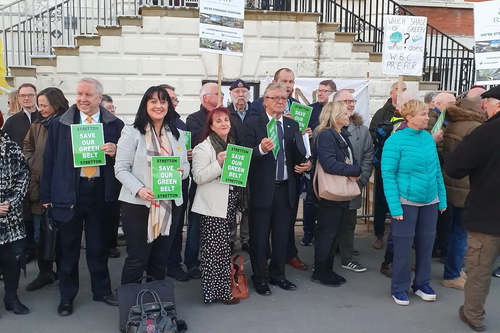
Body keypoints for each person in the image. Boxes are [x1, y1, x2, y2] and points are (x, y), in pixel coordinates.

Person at [41, 78, 124, 316]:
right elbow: (49, 161)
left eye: (88, 95)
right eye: (79, 94)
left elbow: (129, 158)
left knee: (98, 246)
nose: (82, 99)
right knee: (68, 250)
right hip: (68, 193)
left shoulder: (115, 125)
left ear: (100, 98)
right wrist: (46, 195)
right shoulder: (60, 124)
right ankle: (67, 297)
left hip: (100, 192)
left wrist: (116, 151)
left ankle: (102, 291)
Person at [240, 82, 311, 296]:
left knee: (282, 236)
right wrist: (260, 150)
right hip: (262, 189)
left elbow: (300, 153)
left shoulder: (292, 126)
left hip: (286, 189)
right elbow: (242, 156)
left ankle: (278, 275)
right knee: (260, 238)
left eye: (284, 99)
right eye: (275, 98)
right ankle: (260, 277)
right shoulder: (252, 125)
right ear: (265, 102)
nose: (281, 101)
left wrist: (308, 163)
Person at [115, 85, 189, 287]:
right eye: (153, 101)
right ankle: (131, 307)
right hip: (139, 205)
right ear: (145, 104)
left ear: (169, 106)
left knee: (160, 259)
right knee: (137, 258)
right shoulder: (131, 132)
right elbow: (120, 168)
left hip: (170, 204)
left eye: (163, 101)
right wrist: (139, 189)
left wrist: (184, 171)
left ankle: (156, 306)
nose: (159, 106)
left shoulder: (177, 134)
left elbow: (185, 164)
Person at [445, 86, 500, 332]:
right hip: (488, 214)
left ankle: (473, 316)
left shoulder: (486, 132)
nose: (483, 106)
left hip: (488, 214)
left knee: (479, 269)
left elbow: (455, 168)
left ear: (497, 104)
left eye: (486, 101)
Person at [382, 99, 446, 306]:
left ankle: (422, 284)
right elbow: (388, 175)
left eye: (427, 114)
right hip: (406, 202)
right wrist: (394, 207)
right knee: (402, 247)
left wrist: (441, 199)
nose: (428, 118)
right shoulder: (395, 141)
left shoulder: (428, 139)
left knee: (426, 246)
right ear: (409, 118)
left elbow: (437, 170)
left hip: (430, 201)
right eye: (423, 114)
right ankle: (399, 287)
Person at [191, 106, 248, 304]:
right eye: (218, 121)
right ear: (211, 126)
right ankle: (214, 293)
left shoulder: (231, 144)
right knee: (213, 251)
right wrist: (218, 165)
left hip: (229, 203)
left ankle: (223, 290)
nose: (224, 123)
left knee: (224, 249)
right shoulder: (203, 147)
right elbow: (198, 177)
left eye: (226, 119)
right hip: (212, 206)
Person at [309, 100, 361, 287]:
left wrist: (353, 170)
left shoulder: (342, 134)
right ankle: (320, 271)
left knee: (335, 233)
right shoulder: (326, 135)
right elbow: (329, 163)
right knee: (327, 233)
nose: (349, 115)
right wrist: (354, 170)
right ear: (335, 116)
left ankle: (328, 269)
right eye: (345, 113)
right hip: (329, 194)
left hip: (341, 192)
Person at [23, 87, 69, 291]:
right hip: (39, 186)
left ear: (56, 105)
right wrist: (33, 162)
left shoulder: (67, 124)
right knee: (40, 235)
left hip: (62, 188)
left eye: (43, 105)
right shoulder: (37, 125)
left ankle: (64, 272)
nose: (39, 109)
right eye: (39, 105)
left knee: (62, 235)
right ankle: (45, 272)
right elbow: (27, 146)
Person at [441, 104, 485, 291]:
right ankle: (452, 274)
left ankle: (453, 269)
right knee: (460, 232)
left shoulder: (452, 124)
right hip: (465, 185)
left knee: (452, 229)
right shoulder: (474, 127)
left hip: (450, 182)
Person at [184, 82, 223, 280]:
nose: (222, 96)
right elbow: (198, 139)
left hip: (223, 182)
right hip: (203, 179)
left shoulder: (226, 116)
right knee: (195, 223)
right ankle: (192, 262)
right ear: (206, 97)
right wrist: (212, 122)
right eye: (219, 93)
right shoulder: (193, 119)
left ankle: (214, 262)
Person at [332, 90, 373, 273]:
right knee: (329, 223)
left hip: (353, 185)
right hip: (332, 187)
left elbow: (368, 156)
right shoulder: (326, 129)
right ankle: (327, 256)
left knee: (349, 223)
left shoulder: (362, 130)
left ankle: (347, 257)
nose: (350, 104)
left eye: (352, 101)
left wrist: (361, 179)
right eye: (345, 101)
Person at [369, 81, 407, 250]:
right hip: (385, 163)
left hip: (405, 165)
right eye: (398, 90)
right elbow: (372, 134)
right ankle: (378, 234)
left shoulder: (408, 112)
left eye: (404, 90)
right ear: (391, 92)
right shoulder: (382, 113)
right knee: (381, 200)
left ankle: (398, 235)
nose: (401, 93)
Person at [161, 84, 191, 282]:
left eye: (174, 99)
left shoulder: (181, 124)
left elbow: (185, 152)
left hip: (179, 183)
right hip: (157, 184)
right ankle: (155, 265)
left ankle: (173, 264)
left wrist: (187, 155)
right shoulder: (146, 124)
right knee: (157, 225)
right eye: (167, 99)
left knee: (177, 226)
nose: (172, 103)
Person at [301, 79, 337, 246]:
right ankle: (308, 232)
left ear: (333, 93)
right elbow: (298, 131)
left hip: (333, 163)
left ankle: (328, 236)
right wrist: (305, 133)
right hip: (312, 162)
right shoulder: (310, 110)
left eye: (324, 90)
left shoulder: (338, 110)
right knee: (310, 200)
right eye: (319, 90)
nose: (320, 93)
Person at [0, 130, 30, 315]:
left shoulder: (10, 146)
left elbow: (23, 174)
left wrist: (12, 201)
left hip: (11, 215)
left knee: (13, 258)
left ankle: (11, 297)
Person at [227, 79, 251, 252]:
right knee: (232, 202)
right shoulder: (225, 113)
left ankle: (246, 238)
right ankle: (229, 238)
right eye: (237, 92)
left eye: (243, 92)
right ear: (231, 95)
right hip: (233, 162)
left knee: (248, 204)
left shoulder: (256, 112)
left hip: (253, 163)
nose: (240, 95)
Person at [99, 94, 121, 259]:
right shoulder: (83, 126)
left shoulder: (118, 125)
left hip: (112, 178)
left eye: (113, 107)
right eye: (108, 108)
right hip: (91, 178)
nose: (112, 110)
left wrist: (116, 150)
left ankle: (111, 245)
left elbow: (128, 150)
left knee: (112, 213)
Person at [2, 83, 41, 149]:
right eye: (23, 95)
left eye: (30, 95)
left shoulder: (44, 118)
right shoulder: (11, 121)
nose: (26, 98)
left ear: (36, 97)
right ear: (19, 99)